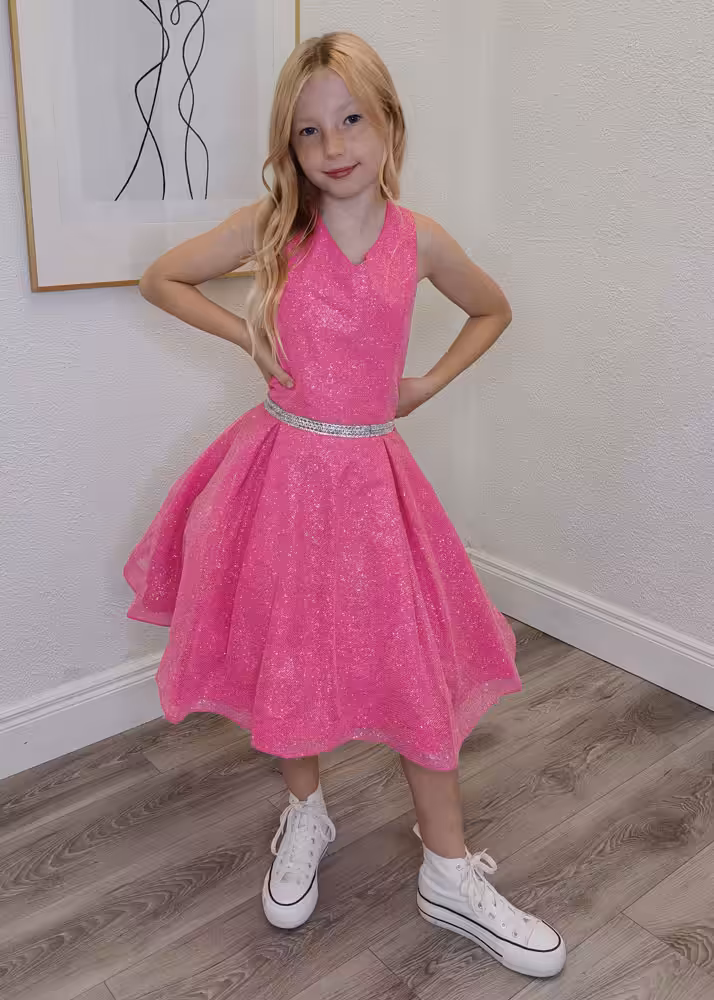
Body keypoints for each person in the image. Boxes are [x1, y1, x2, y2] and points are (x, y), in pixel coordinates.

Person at [125, 31, 566, 980]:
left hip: (374, 483)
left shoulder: (421, 239)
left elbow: (492, 308)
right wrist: (250, 337)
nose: (333, 146)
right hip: (283, 476)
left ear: (390, 124)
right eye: (310, 130)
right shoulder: (275, 229)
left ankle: (448, 869)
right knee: (291, 648)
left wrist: (425, 384)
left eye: (352, 119)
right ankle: (307, 811)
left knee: (414, 665)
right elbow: (162, 277)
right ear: (290, 146)